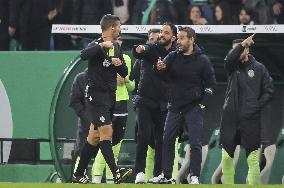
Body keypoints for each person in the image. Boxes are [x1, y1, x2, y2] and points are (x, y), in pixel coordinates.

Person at [71, 14, 132, 184]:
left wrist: (119, 65)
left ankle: (78, 174)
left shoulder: (117, 48)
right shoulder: (96, 44)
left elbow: (125, 73)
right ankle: (116, 171)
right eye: (119, 26)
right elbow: (83, 54)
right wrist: (100, 46)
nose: (120, 29)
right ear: (112, 27)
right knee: (107, 132)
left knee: (94, 138)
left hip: (110, 97)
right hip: (96, 96)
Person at [154, 26, 216, 184]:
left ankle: (194, 176)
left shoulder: (203, 60)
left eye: (182, 38)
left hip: (194, 107)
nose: (178, 41)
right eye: (178, 38)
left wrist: (202, 104)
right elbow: (162, 75)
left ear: (191, 40)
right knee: (167, 139)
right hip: (174, 107)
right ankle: (166, 176)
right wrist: (159, 69)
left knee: (195, 143)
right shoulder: (172, 56)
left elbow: (211, 85)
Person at [220, 34, 274, 185]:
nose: (236, 52)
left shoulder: (259, 68)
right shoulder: (231, 66)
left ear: (247, 50)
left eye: (241, 48)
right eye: (235, 50)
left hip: (250, 119)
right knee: (226, 158)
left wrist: (256, 106)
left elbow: (269, 90)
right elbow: (229, 58)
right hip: (230, 118)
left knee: (253, 158)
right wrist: (241, 44)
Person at [132, 22, 177, 184]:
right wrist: (139, 49)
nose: (161, 36)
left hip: (163, 103)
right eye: (161, 33)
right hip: (144, 100)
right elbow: (141, 50)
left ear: (173, 37)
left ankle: (159, 173)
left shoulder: (175, 54)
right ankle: (139, 172)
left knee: (161, 140)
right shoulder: (152, 48)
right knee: (143, 135)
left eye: (165, 33)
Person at [92, 33, 135, 183]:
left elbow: (131, 86)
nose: (118, 42)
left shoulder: (127, 59)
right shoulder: (101, 58)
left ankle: (112, 182)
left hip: (122, 105)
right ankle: (95, 181)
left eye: (120, 39)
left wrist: (125, 80)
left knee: (116, 147)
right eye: (116, 39)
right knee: (104, 145)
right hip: (106, 104)